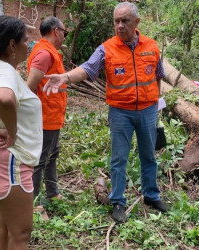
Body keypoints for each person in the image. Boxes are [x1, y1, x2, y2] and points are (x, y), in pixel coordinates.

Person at [43, 2, 168, 223]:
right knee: (119, 158)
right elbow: (88, 68)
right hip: (121, 112)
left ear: (137, 22)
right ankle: (118, 200)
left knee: (149, 156)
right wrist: (65, 77)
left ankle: (151, 195)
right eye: (116, 21)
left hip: (148, 111)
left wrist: (156, 106)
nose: (119, 26)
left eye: (125, 21)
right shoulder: (107, 48)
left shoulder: (152, 46)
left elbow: (158, 75)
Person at [0, 15, 43, 249]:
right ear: (12, 45)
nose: (30, 45)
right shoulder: (5, 71)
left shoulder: (0, 69)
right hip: (11, 162)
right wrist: (13, 132)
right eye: (27, 40)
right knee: (20, 233)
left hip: (3, 159)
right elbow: (4, 99)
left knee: (4, 226)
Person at [26, 17, 69, 201]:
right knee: (41, 158)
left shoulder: (50, 52)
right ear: (55, 31)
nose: (64, 37)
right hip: (44, 116)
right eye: (64, 33)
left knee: (52, 154)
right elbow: (30, 86)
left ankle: (52, 193)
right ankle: (33, 201)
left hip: (51, 115)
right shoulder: (44, 53)